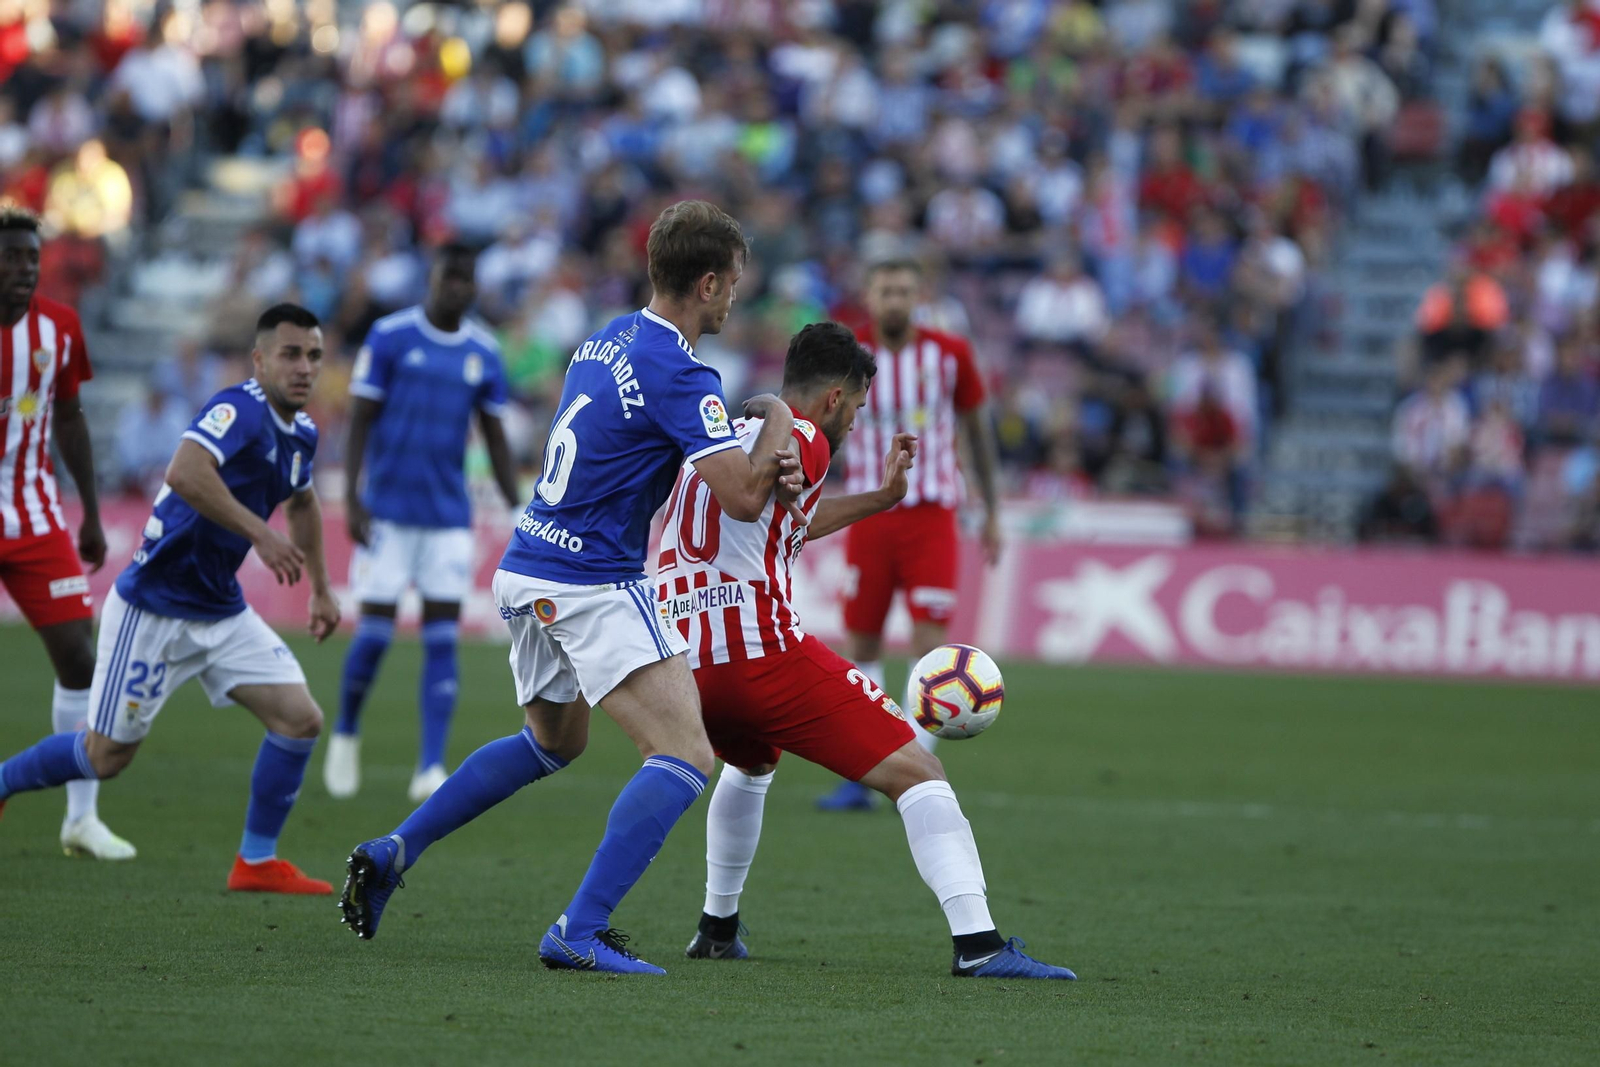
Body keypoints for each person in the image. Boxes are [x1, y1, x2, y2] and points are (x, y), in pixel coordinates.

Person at [338, 200, 805, 974]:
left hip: (528, 562)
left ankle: (396, 847)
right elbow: (745, 498)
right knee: (685, 753)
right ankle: (578, 928)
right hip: (590, 577)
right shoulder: (682, 370)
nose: (736, 300)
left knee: (554, 741)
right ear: (712, 283)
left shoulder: (604, 337)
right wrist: (781, 418)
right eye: (734, 286)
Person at [660, 321, 1073, 980]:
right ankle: (981, 943)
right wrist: (779, 409)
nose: (853, 423)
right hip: (757, 652)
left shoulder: (714, 449)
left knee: (753, 760)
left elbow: (782, 517)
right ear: (831, 399)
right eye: (852, 408)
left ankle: (716, 926)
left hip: (681, 663)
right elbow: (795, 469)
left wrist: (881, 498)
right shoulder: (802, 436)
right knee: (919, 771)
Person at [0, 304, 340, 894]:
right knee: (106, 756)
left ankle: (255, 862)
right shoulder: (238, 410)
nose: (304, 367)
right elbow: (186, 471)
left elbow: (304, 504)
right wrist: (260, 533)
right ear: (259, 361)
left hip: (219, 609)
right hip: (154, 606)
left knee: (300, 718)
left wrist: (322, 588)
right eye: (290, 354)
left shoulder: (302, 434)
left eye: (313, 355)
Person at [326, 243, 521, 803]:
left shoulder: (483, 351)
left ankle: (430, 764)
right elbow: (361, 418)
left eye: (467, 280)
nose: (458, 288)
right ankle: (345, 732)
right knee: (374, 636)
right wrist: (355, 498)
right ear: (431, 280)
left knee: (442, 639)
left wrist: (516, 508)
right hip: (388, 510)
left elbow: (495, 434)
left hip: (447, 518)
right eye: (449, 277)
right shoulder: (390, 337)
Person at [817, 259, 1000, 812]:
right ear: (869, 296)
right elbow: (822, 428)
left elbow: (977, 428)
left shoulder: (950, 354)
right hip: (869, 514)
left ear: (918, 295)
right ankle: (868, 770)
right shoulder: (846, 356)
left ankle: (908, 768)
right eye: (884, 290)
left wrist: (992, 510)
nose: (894, 299)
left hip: (932, 514)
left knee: (932, 651)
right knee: (862, 644)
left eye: (903, 290)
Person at [0, 205, 129, 860]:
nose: (24, 269)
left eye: (31, 258)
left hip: (33, 513)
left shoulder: (61, 327)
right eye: (12, 258)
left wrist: (93, 512)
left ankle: (79, 818)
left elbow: (71, 418)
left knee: (81, 656)